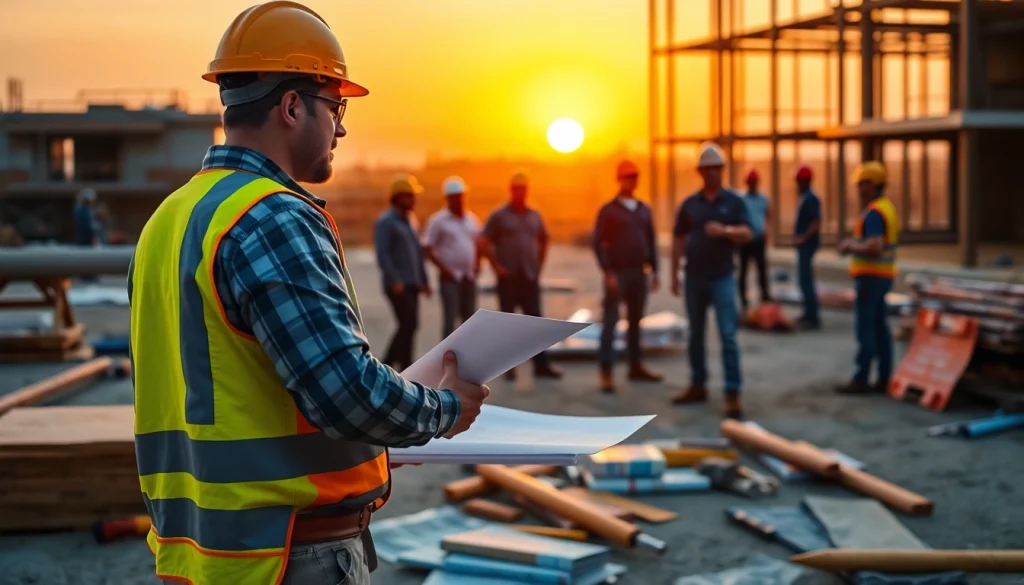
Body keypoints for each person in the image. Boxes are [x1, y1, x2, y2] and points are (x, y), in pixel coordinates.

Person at [127, 4, 489, 584]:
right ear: (293, 106)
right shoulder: (271, 216)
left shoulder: (169, 220)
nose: (342, 128)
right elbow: (344, 392)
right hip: (291, 556)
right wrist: (445, 409)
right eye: (336, 106)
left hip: (205, 556)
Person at [669, 143, 752, 419]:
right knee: (696, 335)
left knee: (728, 335)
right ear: (700, 172)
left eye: (716, 168)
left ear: (722, 170)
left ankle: (732, 392)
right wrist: (674, 272)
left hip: (722, 277)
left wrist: (725, 230)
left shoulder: (734, 202)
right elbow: (678, 238)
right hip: (694, 277)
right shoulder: (690, 205)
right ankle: (698, 384)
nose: (712, 173)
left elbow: (747, 233)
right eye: (707, 169)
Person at [481, 172, 564, 381]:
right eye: (517, 189)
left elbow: (544, 239)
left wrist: (539, 265)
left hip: (529, 277)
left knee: (535, 322)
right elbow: (484, 242)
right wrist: (496, 267)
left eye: (523, 189)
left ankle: (541, 365)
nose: (520, 192)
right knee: (508, 323)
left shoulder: (534, 215)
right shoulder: (499, 216)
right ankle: (508, 368)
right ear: (511, 191)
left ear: (527, 191)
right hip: (508, 278)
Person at [592, 160, 663, 393]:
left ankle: (635, 367)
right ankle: (606, 372)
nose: (631, 180)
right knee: (611, 323)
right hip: (618, 273)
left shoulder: (643, 210)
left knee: (635, 323)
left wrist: (654, 270)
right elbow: (598, 243)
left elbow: (651, 240)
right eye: (627, 176)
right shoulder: (609, 210)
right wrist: (608, 272)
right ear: (619, 179)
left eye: (634, 176)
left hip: (638, 273)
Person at [836, 161, 899, 395]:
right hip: (883, 277)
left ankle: (861, 378)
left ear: (875, 185)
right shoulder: (887, 208)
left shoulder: (874, 213)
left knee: (866, 330)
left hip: (871, 279)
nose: (860, 189)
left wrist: (850, 246)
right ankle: (884, 377)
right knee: (881, 328)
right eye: (859, 184)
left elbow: (875, 245)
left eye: (864, 184)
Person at [422, 176, 493, 338]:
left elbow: (478, 244)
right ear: (447, 199)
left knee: (469, 322)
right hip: (450, 279)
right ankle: (446, 360)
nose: (459, 200)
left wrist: (477, 263)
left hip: (468, 277)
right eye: (455, 197)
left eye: (461, 196)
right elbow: (427, 247)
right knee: (450, 322)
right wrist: (444, 269)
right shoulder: (438, 221)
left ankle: (467, 359)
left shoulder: (471, 219)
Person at [374, 173, 430, 371]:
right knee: (408, 323)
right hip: (397, 285)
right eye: (410, 195)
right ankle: (387, 364)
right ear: (398, 197)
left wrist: (424, 280)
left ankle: (406, 365)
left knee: (411, 325)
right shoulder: (386, 222)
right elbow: (383, 254)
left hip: (412, 283)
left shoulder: (410, 221)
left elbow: (417, 252)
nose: (414, 199)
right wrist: (394, 280)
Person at [737, 168, 771, 310]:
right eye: (750, 182)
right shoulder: (741, 198)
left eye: (754, 182)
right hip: (745, 240)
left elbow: (769, 215)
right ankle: (743, 300)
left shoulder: (764, 199)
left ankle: (765, 296)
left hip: (758, 239)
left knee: (761, 269)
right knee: (743, 270)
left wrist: (768, 231)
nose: (752, 184)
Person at [793, 164, 822, 329]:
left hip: (807, 245)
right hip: (805, 244)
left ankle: (812, 316)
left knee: (805, 280)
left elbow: (815, 221)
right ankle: (808, 313)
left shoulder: (810, 198)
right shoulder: (806, 196)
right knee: (804, 279)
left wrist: (803, 237)